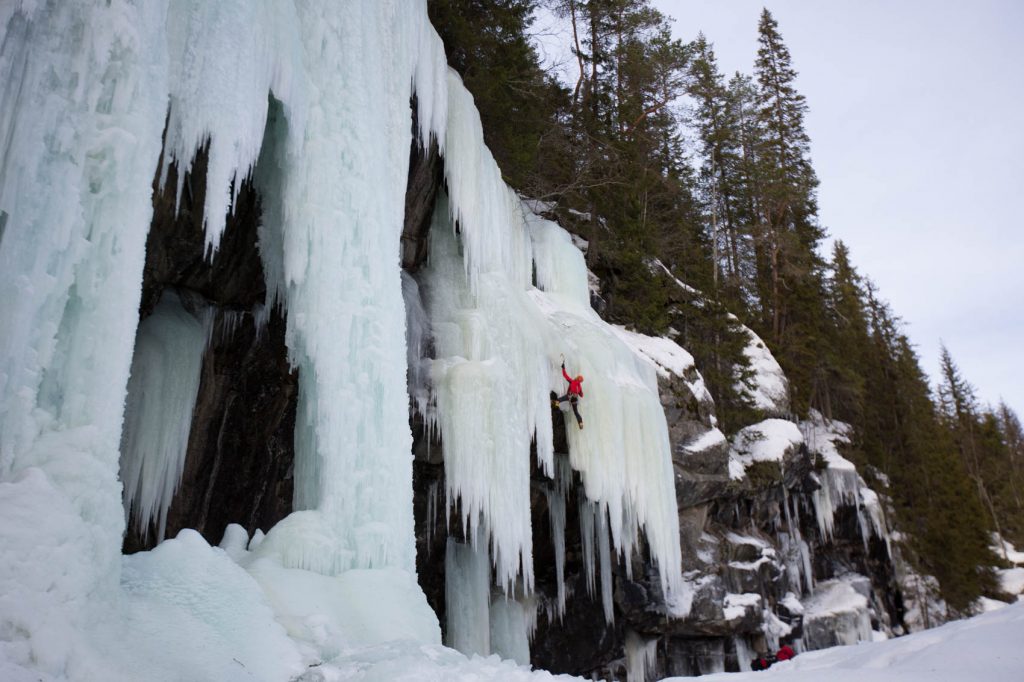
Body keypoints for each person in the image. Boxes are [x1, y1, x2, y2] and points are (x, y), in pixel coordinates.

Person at [553, 357, 584, 429]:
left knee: (559, 400)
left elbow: (565, 376)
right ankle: (580, 423)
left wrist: (563, 368)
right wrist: (578, 392)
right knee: (576, 413)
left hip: (569, 396)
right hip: (575, 400)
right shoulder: (579, 387)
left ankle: (553, 406)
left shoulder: (572, 381)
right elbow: (582, 395)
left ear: (577, 378)